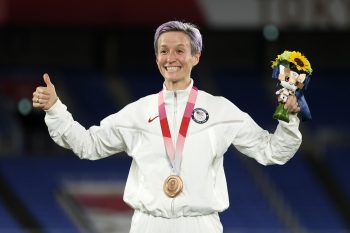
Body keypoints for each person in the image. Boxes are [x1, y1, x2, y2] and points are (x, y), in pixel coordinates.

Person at [32, 21, 302, 233]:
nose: (170, 57)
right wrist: (55, 108)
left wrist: (288, 120)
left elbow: (272, 151)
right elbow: (87, 145)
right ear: (156, 58)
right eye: (163, 51)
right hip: (148, 225)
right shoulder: (138, 112)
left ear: (196, 57)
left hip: (200, 225)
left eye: (180, 50)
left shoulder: (220, 110)